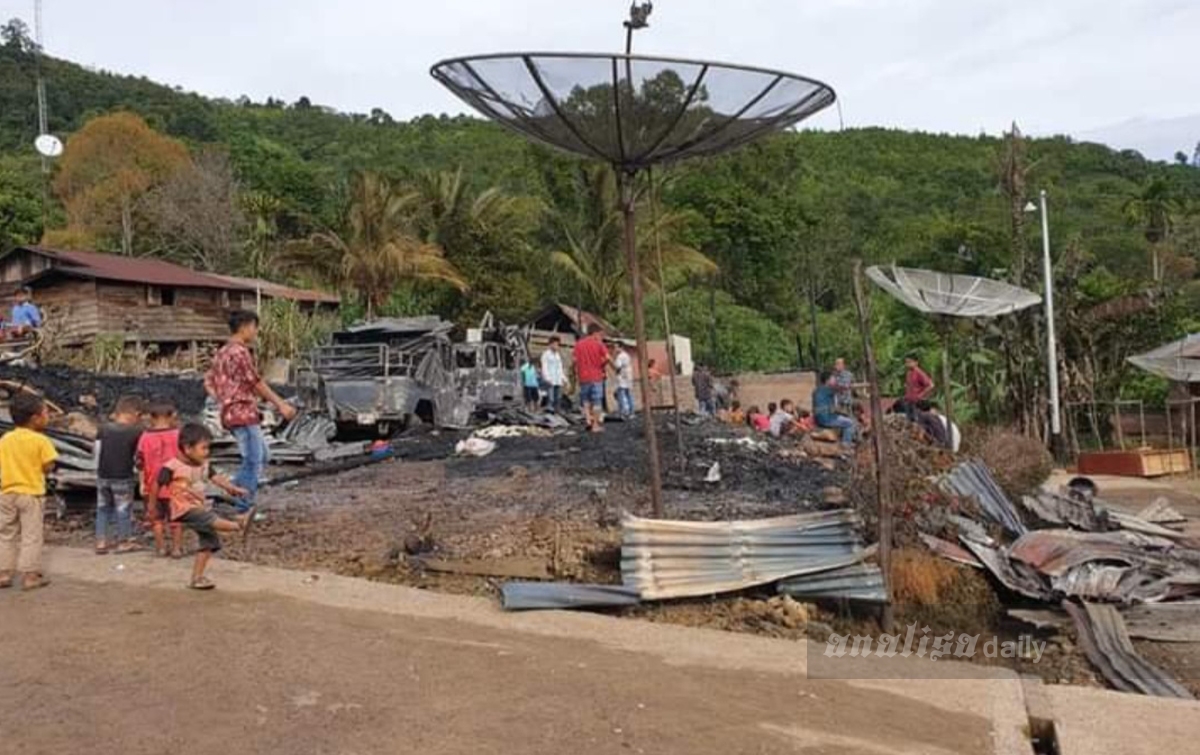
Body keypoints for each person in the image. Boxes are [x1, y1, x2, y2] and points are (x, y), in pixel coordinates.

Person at [205, 310, 296, 514]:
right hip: (242, 413)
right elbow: (255, 382)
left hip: (232, 413)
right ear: (245, 326)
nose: (255, 332)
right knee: (254, 459)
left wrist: (223, 399)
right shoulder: (239, 352)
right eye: (255, 327)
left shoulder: (222, 352)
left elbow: (208, 382)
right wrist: (281, 404)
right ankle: (243, 506)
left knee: (262, 454)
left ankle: (232, 491)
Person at [152, 423, 252, 590]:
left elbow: (216, 478)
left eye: (208, 448)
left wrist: (232, 488)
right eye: (203, 448)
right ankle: (239, 525)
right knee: (209, 519)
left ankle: (197, 578)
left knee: (209, 543)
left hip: (199, 506)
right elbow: (157, 484)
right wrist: (153, 506)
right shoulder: (172, 466)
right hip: (182, 509)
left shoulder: (204, 464)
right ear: (187, 448)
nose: (207, 452)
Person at [0, 393, 57, 590]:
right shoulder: (40, 441)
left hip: (6, 493)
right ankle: (30, 575)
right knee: (31, 535)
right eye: (46, 413)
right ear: (35, 418)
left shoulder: (6, 438)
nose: (48, 416)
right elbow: (49, 465)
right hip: (31, 493)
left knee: (6, 534)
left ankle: (4, 573)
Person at [94, 395, 145, 555]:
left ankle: (101, 542)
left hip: (103, 476)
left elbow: (96, 451)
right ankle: (123, 541)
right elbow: (138, 456)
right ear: (136, 414)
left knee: (103, 508)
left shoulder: (103, 429)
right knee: (123, 509)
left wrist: (97, 470)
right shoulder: (136, 432)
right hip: (123, 476)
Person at [137, 399, 184, 558]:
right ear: (173, 416)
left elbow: (140, 462)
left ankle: (161, 548)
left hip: (153, 486)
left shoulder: (145, 437)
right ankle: (177, 549)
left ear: (151, 417)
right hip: (176, 485)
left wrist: (142, 482)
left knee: (156, 519)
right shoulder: (178, 435)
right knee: (176, 519)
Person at [573, 324, 611, 432]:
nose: (601, 337)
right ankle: (595, 425)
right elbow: (608, 358)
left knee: (586, 400)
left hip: (583, 377)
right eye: (600, 334)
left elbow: (574, 360)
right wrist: (601, 365)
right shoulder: (599, 344)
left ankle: (588, 421)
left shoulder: (578, 344)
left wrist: (576, 371)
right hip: (596, 376)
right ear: (595, 333)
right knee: (597, 400)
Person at [813, 372, 857, 448]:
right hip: (827, 419)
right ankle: (846, 443)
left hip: (819, 418)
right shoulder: (828, 389)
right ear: (827, 380)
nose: (835, 380)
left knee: (843, 417)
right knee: (850, 423)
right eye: (833, 378)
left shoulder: (817, 390)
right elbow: (843, 388)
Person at [900, 354, 935, 420]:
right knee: (909, 422)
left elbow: (931, 385)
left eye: (910, 362)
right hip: (909, 402)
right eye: (906, 362)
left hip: (917, 403)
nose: (907, 364)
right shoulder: (909, 373)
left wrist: (920, 395)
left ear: (916, 362)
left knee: (918, 422)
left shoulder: (919, 373)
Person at [539, 337, 566, 413]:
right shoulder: (546, 354)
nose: (556, 346)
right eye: (554, 344)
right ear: (550, 344)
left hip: (557, 379)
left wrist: (563, 378)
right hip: (550, 379)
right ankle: (549, 409)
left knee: (558, 397)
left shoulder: (558, 355)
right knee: (551, 397)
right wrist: (547, 378)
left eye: (557, 345)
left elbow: (560, 367)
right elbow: (544, 367)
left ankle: (557, 410)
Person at [612, 342, 635, 419]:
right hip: (628, 376)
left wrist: (615, 371)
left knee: (621, 395)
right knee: (629, 394)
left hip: (622, 377)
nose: (615, 349)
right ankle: (631, 412)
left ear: (621, 347)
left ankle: (623, 412)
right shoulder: (627, 355)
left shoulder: (620, 356)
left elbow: (617, 367)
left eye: (616, 347)